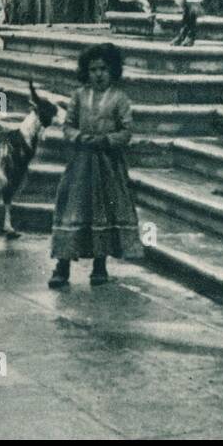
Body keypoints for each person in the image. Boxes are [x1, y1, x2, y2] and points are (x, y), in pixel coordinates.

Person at [48, 42, 142, 289]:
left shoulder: (119, 98)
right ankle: (62, 266)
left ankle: (100, 266)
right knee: (73, 210)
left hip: (108, 165)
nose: (98, 74)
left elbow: (127, 131)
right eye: (92, 70)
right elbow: (67, 126)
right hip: (81, 165)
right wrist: (80, 137)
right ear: (85, 72)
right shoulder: (78, 96)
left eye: (103, 69)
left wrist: (107, 140)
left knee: (104, 212)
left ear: (112, 70)